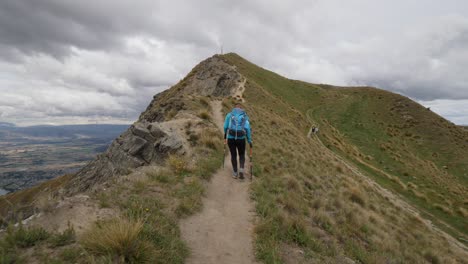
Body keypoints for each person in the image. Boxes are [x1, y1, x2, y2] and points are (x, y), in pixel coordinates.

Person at [223, 103, 252, 179]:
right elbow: (248, 129)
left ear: (234, 108)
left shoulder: (229, 115)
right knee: (241, 154)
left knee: (233, 155)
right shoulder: (244, 116)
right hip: (241, 139)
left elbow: (225, 126)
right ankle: (241, 170)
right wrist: (249, 140)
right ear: (241, 109)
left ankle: (235, 173)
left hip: (231, 138)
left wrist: (225, 135)